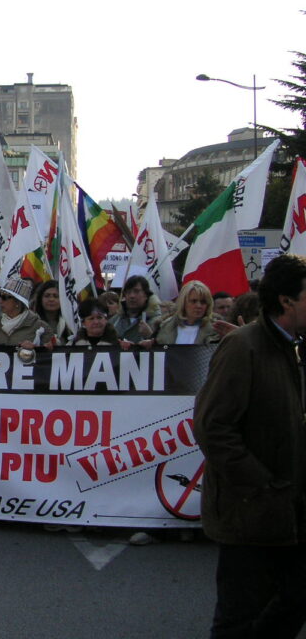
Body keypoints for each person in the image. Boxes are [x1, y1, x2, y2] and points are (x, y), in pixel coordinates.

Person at [194, 253, 306, 638]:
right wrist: (263, 483)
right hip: (252, 512)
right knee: (238, 617)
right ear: (287, 300)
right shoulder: (244, 347)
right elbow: (213, 427)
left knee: (294, 599)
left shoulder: (297, 347)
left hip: (292, 507)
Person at [0, 278, 51, 349]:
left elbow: (50, 353)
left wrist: (36, 348)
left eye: (4, 297)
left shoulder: (40, 327)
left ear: (18, 302)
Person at [152, 280, 219, 346]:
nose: (199, 306)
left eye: (203, 302)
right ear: (183, 302)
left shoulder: (216, 330)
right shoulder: (165, 327)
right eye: (193, 301)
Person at [110, 275, 159, 346]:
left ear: (146, 295)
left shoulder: (158, 322)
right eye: (128, 292)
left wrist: (150, 336)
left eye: (136, 291)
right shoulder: (114, 321)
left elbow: (167, 349)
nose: (132, 296)